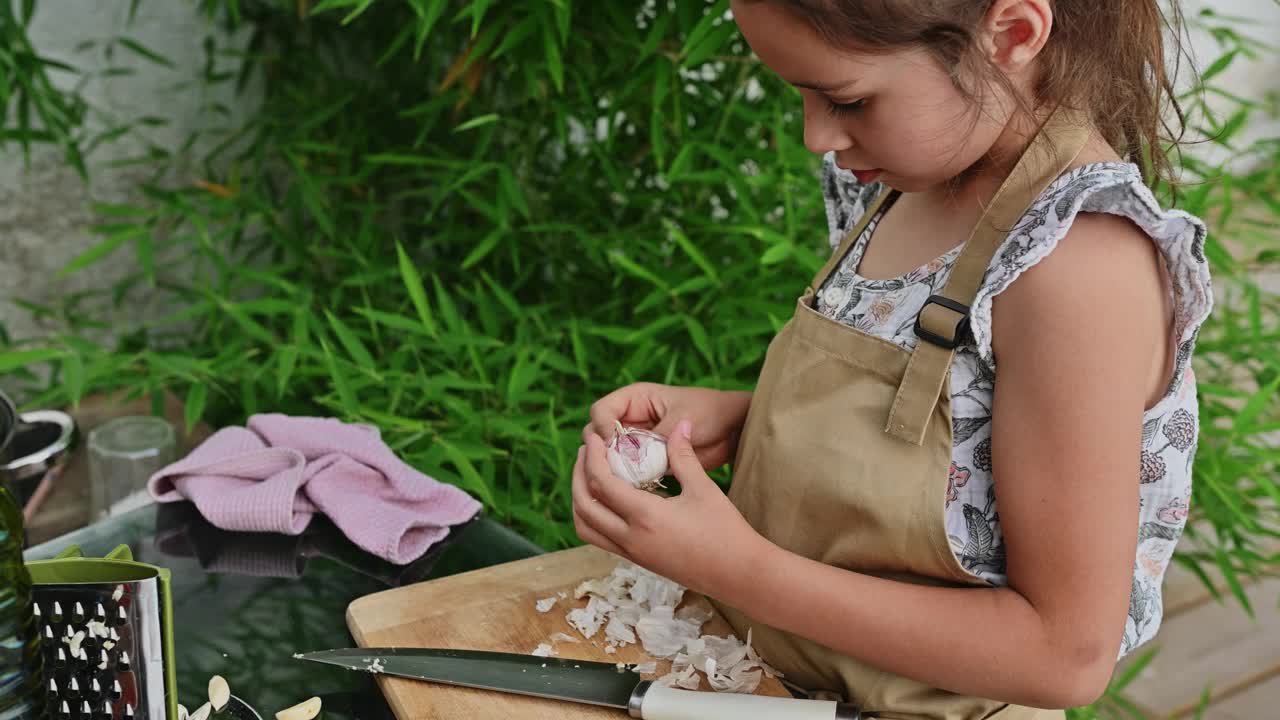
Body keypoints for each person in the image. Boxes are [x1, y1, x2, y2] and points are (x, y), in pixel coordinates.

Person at [571, 1, 1214, 717]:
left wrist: (740, 570)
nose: (818, 135)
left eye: (846, 98)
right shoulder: (911, 175)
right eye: (801, 94)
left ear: (1010, 34)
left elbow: (1063, 656)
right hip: (765, 680)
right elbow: (958, 448)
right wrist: (747, 423)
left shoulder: (1075, 267)